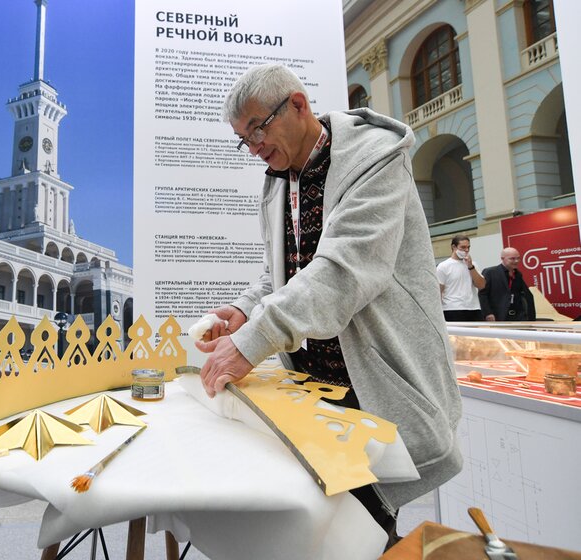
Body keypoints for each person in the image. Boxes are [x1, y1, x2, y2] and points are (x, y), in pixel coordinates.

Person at [196, 64, 462, 542]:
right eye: (243, 137)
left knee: (361, 529)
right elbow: (285, 271)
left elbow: (345, 269)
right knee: (321, 523)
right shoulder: (279, 177)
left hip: (373, 373)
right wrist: (244, 308)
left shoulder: (375, 156)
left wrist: (252, 340)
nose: (253, 146)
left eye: (258, 128)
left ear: (297, 105)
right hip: (315, 384)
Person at [436, 235, 485, 321]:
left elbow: (481, 285)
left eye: (468, 247)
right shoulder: (443, 266)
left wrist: (470, 266)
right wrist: (438, 313)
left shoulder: (473, 264)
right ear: (454, 247)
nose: (466, 250)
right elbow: (439, 291)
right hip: (452, 309)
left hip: (474, 308)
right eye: (463, 247)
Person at [478, 247, 536, 321]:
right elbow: (483, 294)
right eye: (512, 259)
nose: (516, 261)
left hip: (518, 316)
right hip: (499, 315)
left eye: (518, 258)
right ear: (502, 258)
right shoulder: (490, 272)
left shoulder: (518, 274)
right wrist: (488, 313)